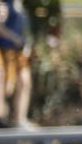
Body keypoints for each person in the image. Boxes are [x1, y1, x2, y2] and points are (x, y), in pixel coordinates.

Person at [0, 0, 33, 129]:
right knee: (2, 78)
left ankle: (20, 119)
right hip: (5, 49)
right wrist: (16, 39)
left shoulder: (20, 5)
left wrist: (26, 43)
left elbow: (25, 28)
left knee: (25, 81)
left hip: (19, 50)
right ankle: (1, 118)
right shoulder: (4, 3)